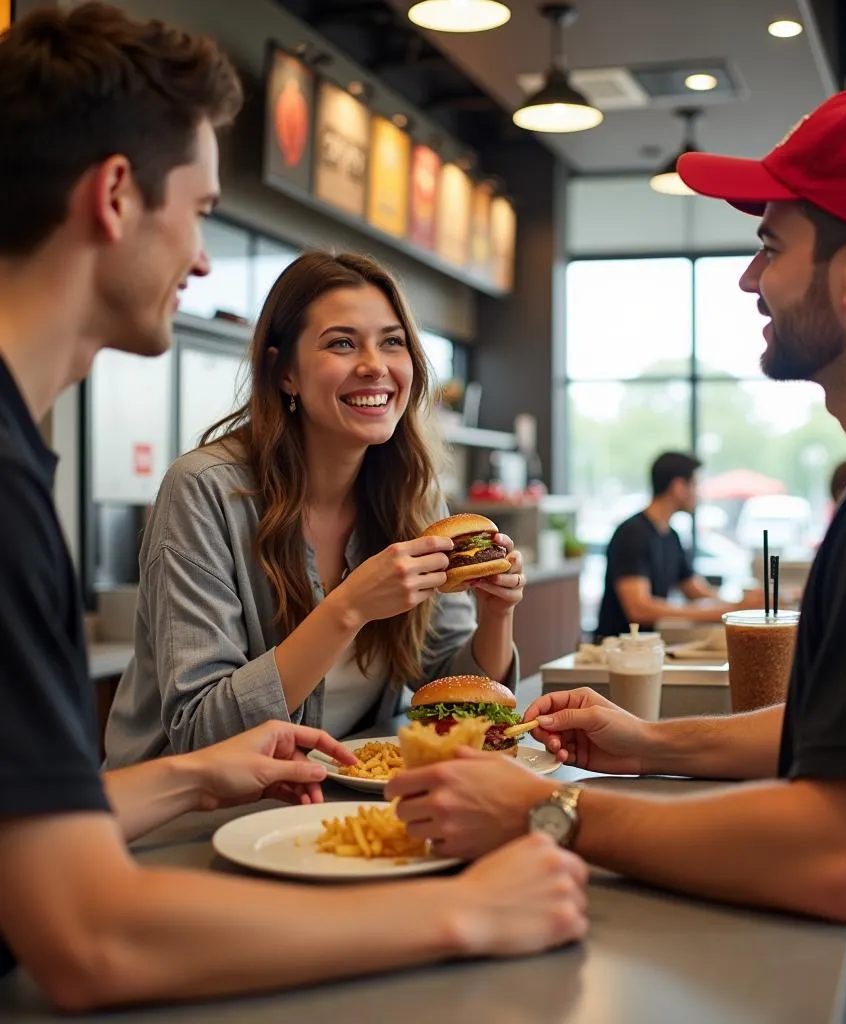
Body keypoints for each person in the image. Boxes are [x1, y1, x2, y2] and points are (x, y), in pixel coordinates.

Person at [386, 89, 846, 1019]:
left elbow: (845, 855)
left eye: (771, 245)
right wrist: (645, 745)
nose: (746, 279)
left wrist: (546, 812)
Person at [0, 4, 586, 1011]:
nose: (198, 261)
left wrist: (493, 620)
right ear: (113, 196)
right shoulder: (116, 488)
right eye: (197, 212)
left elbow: (82, 817)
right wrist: (468, 914)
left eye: (393, 342)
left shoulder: (20, 455)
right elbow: (88, 935)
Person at [104, 250, 524, 766]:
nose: (375, 365)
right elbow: (201, 732)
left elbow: (448, 692)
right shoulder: (203, 491)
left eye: (392, 342)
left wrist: (496, 614)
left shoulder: (414, 493)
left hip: (332, 800)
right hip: (185, 820)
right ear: (285, 374)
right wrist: (347, 608)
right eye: (342, 343)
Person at [594, 451, 756, 638]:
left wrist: (740, 605)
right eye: (695, 484)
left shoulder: (671, 536)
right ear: (679, 486)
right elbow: (639, 608)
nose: (698, 494)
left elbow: (694, 589)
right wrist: (727, 611)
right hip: (619, 650)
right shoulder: (632, 533)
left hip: (651, 647)